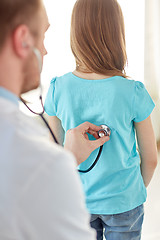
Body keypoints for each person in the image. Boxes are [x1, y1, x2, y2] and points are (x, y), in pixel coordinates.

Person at [44, 0, 158, 239]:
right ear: (118, 34)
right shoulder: (132, 91)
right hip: (124, 201)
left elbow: (53, 153)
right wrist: (131, 194)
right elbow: (151, 160)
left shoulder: (59, 89)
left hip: (77, 201)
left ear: (76, 34)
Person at [0, 0, 110, 239]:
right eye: (43, 36)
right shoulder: (45, 163)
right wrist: (63, 162)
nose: (46, 50)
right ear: (23, 40)